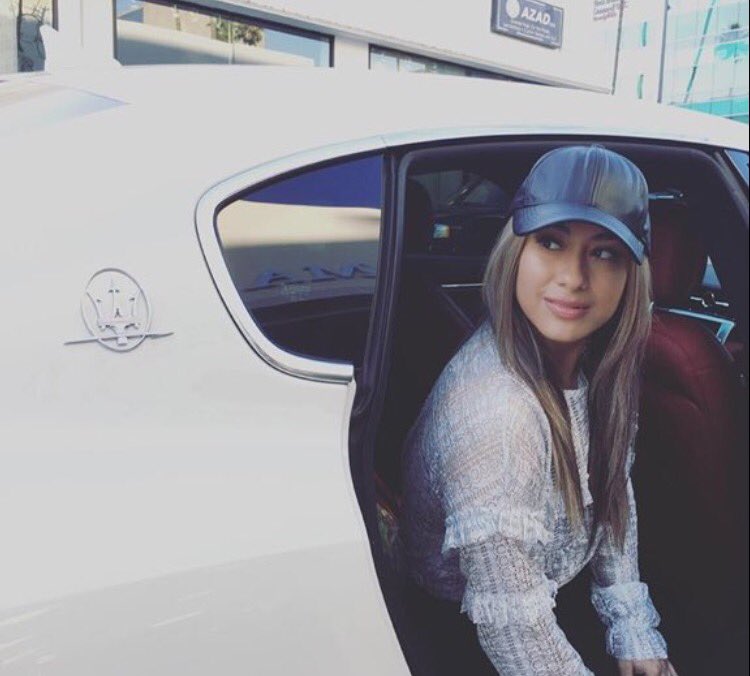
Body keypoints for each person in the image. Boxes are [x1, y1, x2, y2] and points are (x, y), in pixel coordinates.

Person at [401, 145, 679, 676]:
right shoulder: (498, 415)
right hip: (467, 630)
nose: (573, 277)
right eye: (551, 242)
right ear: (516, 251)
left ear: (631, 273)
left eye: (604, 253)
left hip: (546, 587)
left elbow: (611, 491)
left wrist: (632, 628)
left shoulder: (597, 361)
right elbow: (514, 631)